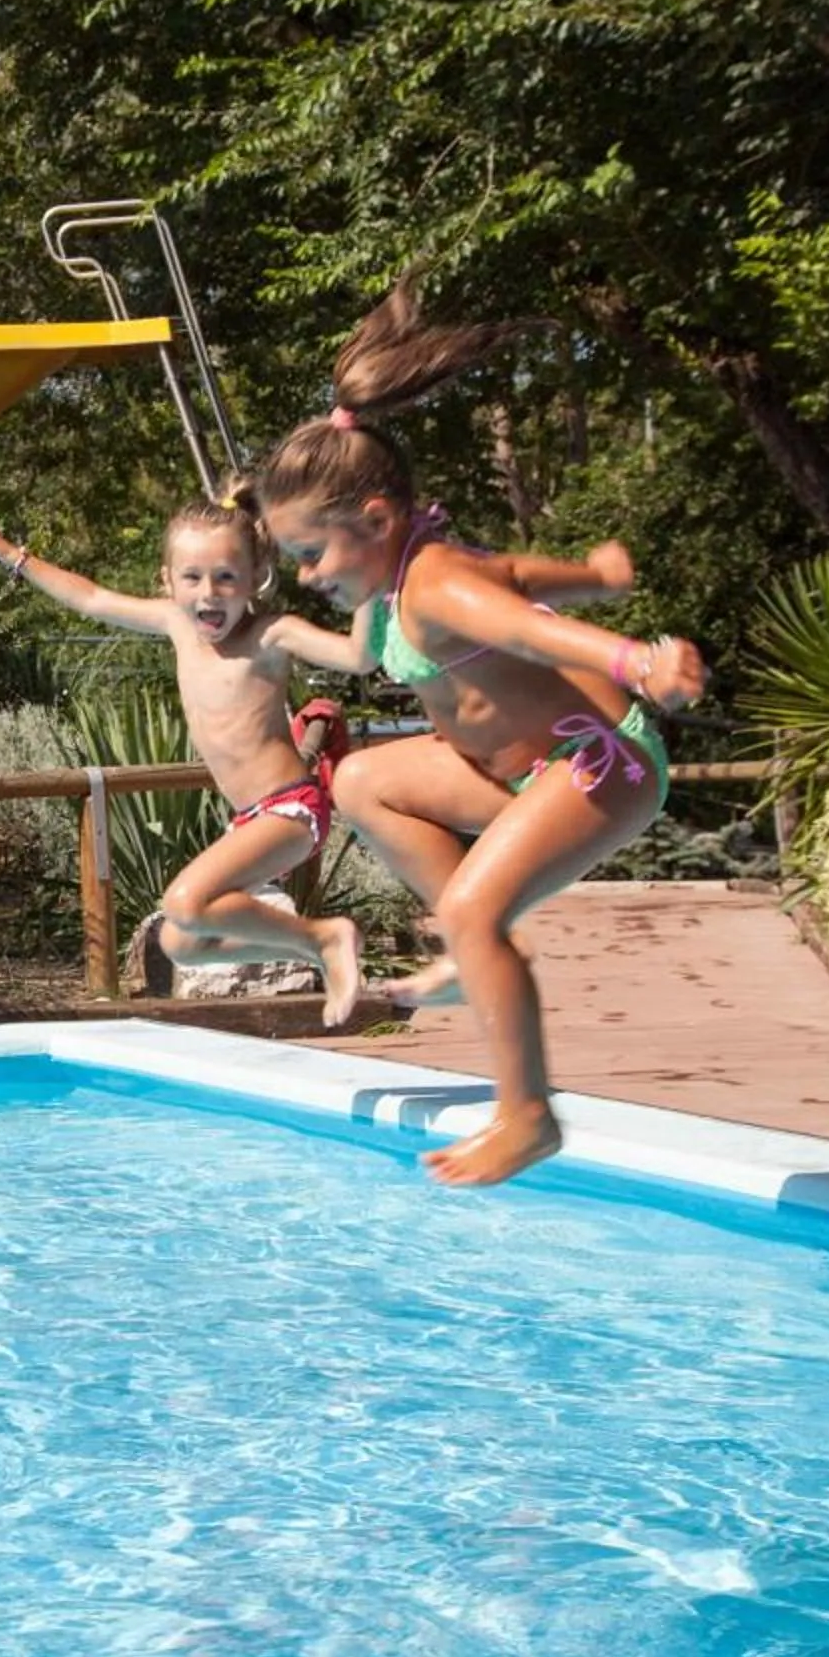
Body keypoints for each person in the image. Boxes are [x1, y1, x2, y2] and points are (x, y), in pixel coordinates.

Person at [260, 277, 705, 1187]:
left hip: (600, 761)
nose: (306, 576)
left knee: (471, 910)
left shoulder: (430, 586)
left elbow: (525, 627)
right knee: (359, 783)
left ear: (375, 521)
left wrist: (635, 661)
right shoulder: (404, 578)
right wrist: (592, 570)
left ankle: (528, 1114)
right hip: (516, 769)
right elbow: (516, 575)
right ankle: (474, 954)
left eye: (312, 554)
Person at [0, 489, 369, 1028]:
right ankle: (316, 944)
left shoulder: (272, 634)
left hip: (292, 808)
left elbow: (357, 658)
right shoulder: (176, 625)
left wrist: (372, 589)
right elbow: (92, 598)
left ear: (256, 577)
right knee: (182, 944)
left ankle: (328, 938)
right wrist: (10, 553)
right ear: (168, 582)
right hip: (247, 819)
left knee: (183, 901)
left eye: (226, 577)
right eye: (192, 578)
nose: (209, 594)